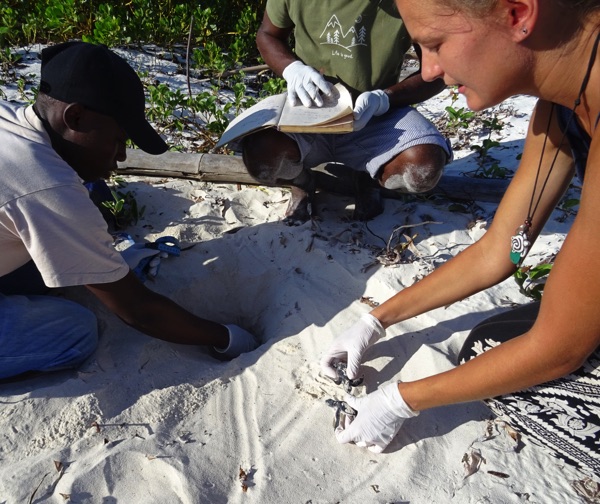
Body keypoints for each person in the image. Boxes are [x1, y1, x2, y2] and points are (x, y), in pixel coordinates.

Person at [320, 0, 600, 477]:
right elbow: (505, 249)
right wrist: (377, 321)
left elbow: (562, 346)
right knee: (488, 347)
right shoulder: (560, 108)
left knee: (532, 385)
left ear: (517, 14)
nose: (430, 70)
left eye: (435, 44)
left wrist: (400, 400)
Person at [0, 41, 257, 381]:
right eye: (118, 139)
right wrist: (228, 338)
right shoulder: (48, 187)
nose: (120, 157)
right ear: (75, 116)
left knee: (88, 202)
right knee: (74, 330)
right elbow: (140, 312)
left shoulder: (11, 118)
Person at [240, 0, 453, 223]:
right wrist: (292, 68)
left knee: (422, 167)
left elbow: (438, 69)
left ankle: (368, 180)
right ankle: (301, 182)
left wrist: (385, 98)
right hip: (308, 112)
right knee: (260, 155)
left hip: (376, 116)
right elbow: (268, 34)